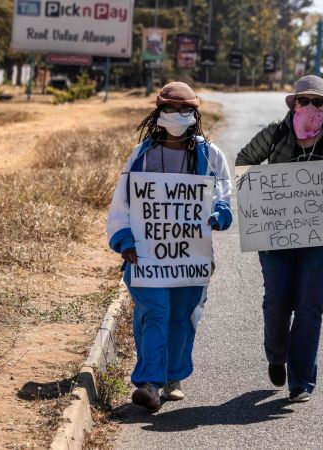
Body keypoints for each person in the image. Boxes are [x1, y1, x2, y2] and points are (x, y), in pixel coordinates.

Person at [236, 75, 323, 402]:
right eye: (303, 100)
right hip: (277, 236)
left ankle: (301, 382)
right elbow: (244, 162)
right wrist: (264, 197)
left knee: (310, 306)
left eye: (317, 101)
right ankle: (277, 355)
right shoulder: (276, 133)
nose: (310, 106)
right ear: (294, 104)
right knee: (277, 303)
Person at [106, 82, 233, 412]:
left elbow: (223, 192)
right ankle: (149, 383)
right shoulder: (142, 155)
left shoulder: (209, 155)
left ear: (195, 113)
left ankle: (173, 377)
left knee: (182, 315)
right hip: (145, 255)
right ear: (157, 112)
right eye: (170, 109)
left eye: (184, 110)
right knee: (155, 313)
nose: (177, 115)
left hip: (191, 257)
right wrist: (124, 240)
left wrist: (221, 212)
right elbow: (122, 200)